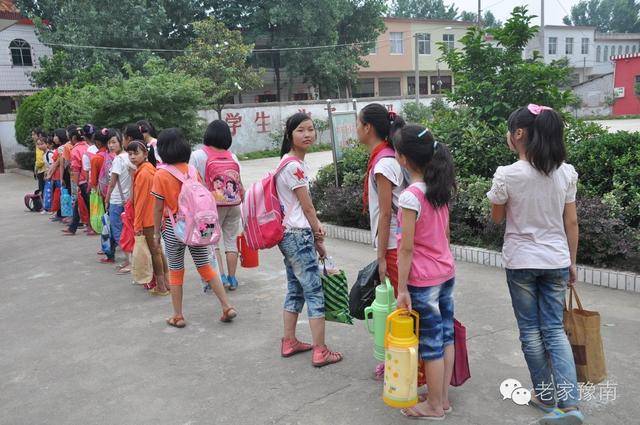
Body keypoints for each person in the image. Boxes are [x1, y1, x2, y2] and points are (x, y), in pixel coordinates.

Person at [487, 105, 583, 425]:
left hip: (521, 261)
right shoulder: (565, 172)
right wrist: (571, 263)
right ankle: (570, 405)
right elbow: (571, 223)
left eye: (509, 131)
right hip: (556, 259)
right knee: (555, 330)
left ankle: (544, 396)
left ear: (518, 135)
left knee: (530, 331)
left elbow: (497, 217)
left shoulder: (507, 174)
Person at [394, 125, 457, 420]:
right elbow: (445, 233)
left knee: (430, 344)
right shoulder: (438, 188)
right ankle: (441, 398)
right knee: (445, 336)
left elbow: (406, 249)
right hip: (445, 273)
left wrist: (402, 288)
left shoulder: (410, 197)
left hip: (423, 280)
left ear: (404, 159)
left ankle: (433, 407)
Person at [151, 128, 237, 328]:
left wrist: (156, 233)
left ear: (162, 150)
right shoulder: (192, 171)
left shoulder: (161, 174)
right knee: (205, 266)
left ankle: (178, 315)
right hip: (196, 227)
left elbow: (157, 209)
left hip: (173, 228)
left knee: (176, 269)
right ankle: (226, 306)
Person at [276, 113, 342, 367]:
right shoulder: (294, 166)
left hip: (287, 235)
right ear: (290, 135)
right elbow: (308, 208)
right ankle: (320, 350)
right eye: (301, 130)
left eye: (311, 129)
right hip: (298, 235)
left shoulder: (285, 162)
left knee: (296, 289)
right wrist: (318, 236)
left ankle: (289, 341)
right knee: (315, 292)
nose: (308, 134)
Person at [356, 104, 406, 296]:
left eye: (358, 124)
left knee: (404, 310)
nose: (357, 129)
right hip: (398, 242)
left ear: (368, 127)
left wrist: (381, 257)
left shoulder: (383, 164)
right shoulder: (389, 156)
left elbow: (386, 214)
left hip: (394, 245)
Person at [190, 120, 243, 290]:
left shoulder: (198, 155)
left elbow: (191, 182)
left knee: (211, 242)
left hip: (209, 208)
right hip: (233, 204)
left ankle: (219, 278)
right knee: (231, 241)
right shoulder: (232, 156)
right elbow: (239, 182)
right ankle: (233, 278)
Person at [126, 140, 170, 296]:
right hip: (154, 217)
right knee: (158, 251)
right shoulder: (149, 169)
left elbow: (140, 202)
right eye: (130, 154)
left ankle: (161, 287)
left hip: (147, 219)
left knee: (155, 253)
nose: (132, 157)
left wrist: (137, 225)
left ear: (145, 154)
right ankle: (167, 282)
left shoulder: (143, 173)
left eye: (136, 153)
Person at [101, 129, 133, 266]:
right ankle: (130, 259)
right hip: (127, 200)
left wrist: (106, 199)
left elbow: (112, 183)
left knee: (118, 231)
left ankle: (129, 261)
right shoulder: (130, 157)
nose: (111, 145)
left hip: (116, 201)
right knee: (127, 230)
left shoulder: (118, 160)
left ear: (121, 142)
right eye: (109, 143)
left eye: (114, 142)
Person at [63, 126, 91, 236]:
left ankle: (92, 226)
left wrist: (76, 183)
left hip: (82, 180)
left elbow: (75, 168)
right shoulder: (88, 147)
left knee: (87, 204)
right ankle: (72, 227)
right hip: (90, 179)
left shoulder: (75, 150)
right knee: (79, 204)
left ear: (73, 138)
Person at [45, 129, 67, 222]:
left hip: (58, 174)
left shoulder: (62, 148)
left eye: (55, 136)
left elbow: (57, 163)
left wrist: (49, 173)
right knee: (58, 194)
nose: (54, 138)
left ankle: (61, 214)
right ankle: (59, 213)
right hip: (56, 174)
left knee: (60, 194)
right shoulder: (60, 148)